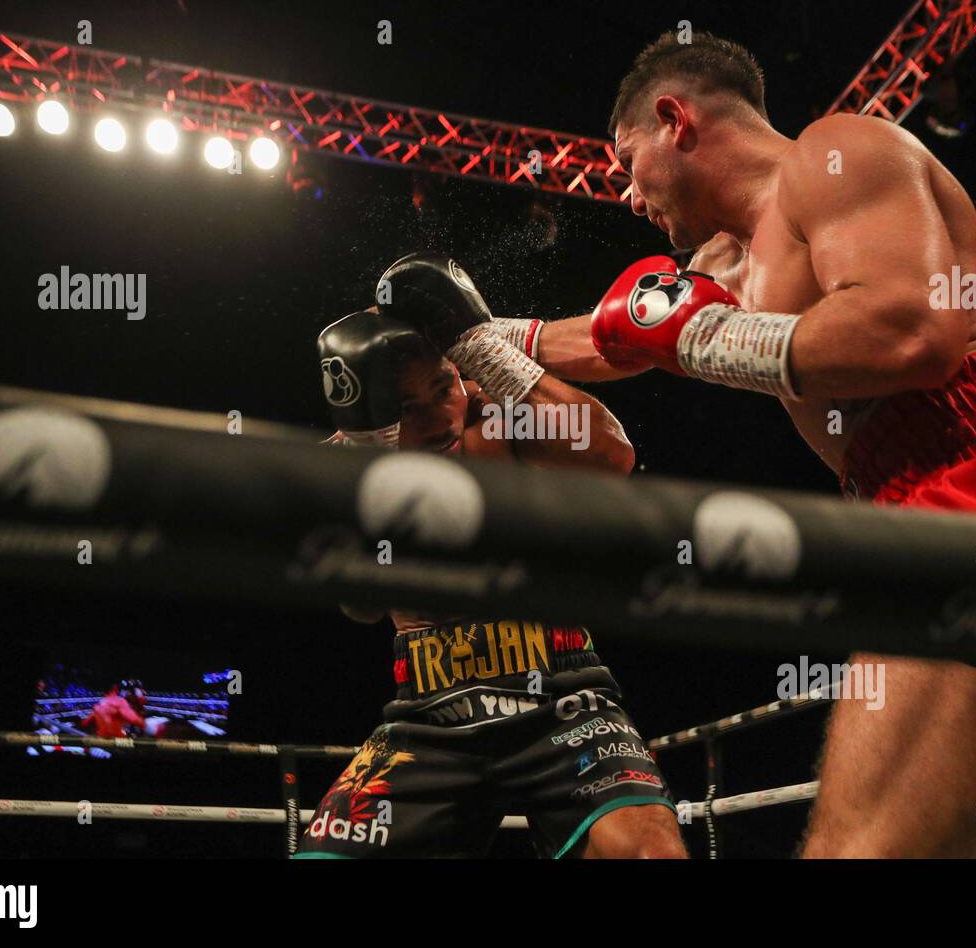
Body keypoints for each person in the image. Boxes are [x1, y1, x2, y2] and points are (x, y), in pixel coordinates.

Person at [489, 30, 976, 857]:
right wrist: (476, 335)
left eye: (627, 158)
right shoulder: (732, 262)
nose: (630, 196)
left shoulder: (838, 151)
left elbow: (913, 332)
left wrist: (705, 338)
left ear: (675, 118)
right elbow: (620, 338)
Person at [294, 253, 686, 859]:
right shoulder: (350, 461)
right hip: (427, 711)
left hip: (562, 694)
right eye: (404, 409)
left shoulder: (500, 416)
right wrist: (375, 467)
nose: (438, 418)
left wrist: (485, 350)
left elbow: (612, 457)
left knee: (646, 852)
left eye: (443, 387)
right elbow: (362, 606)